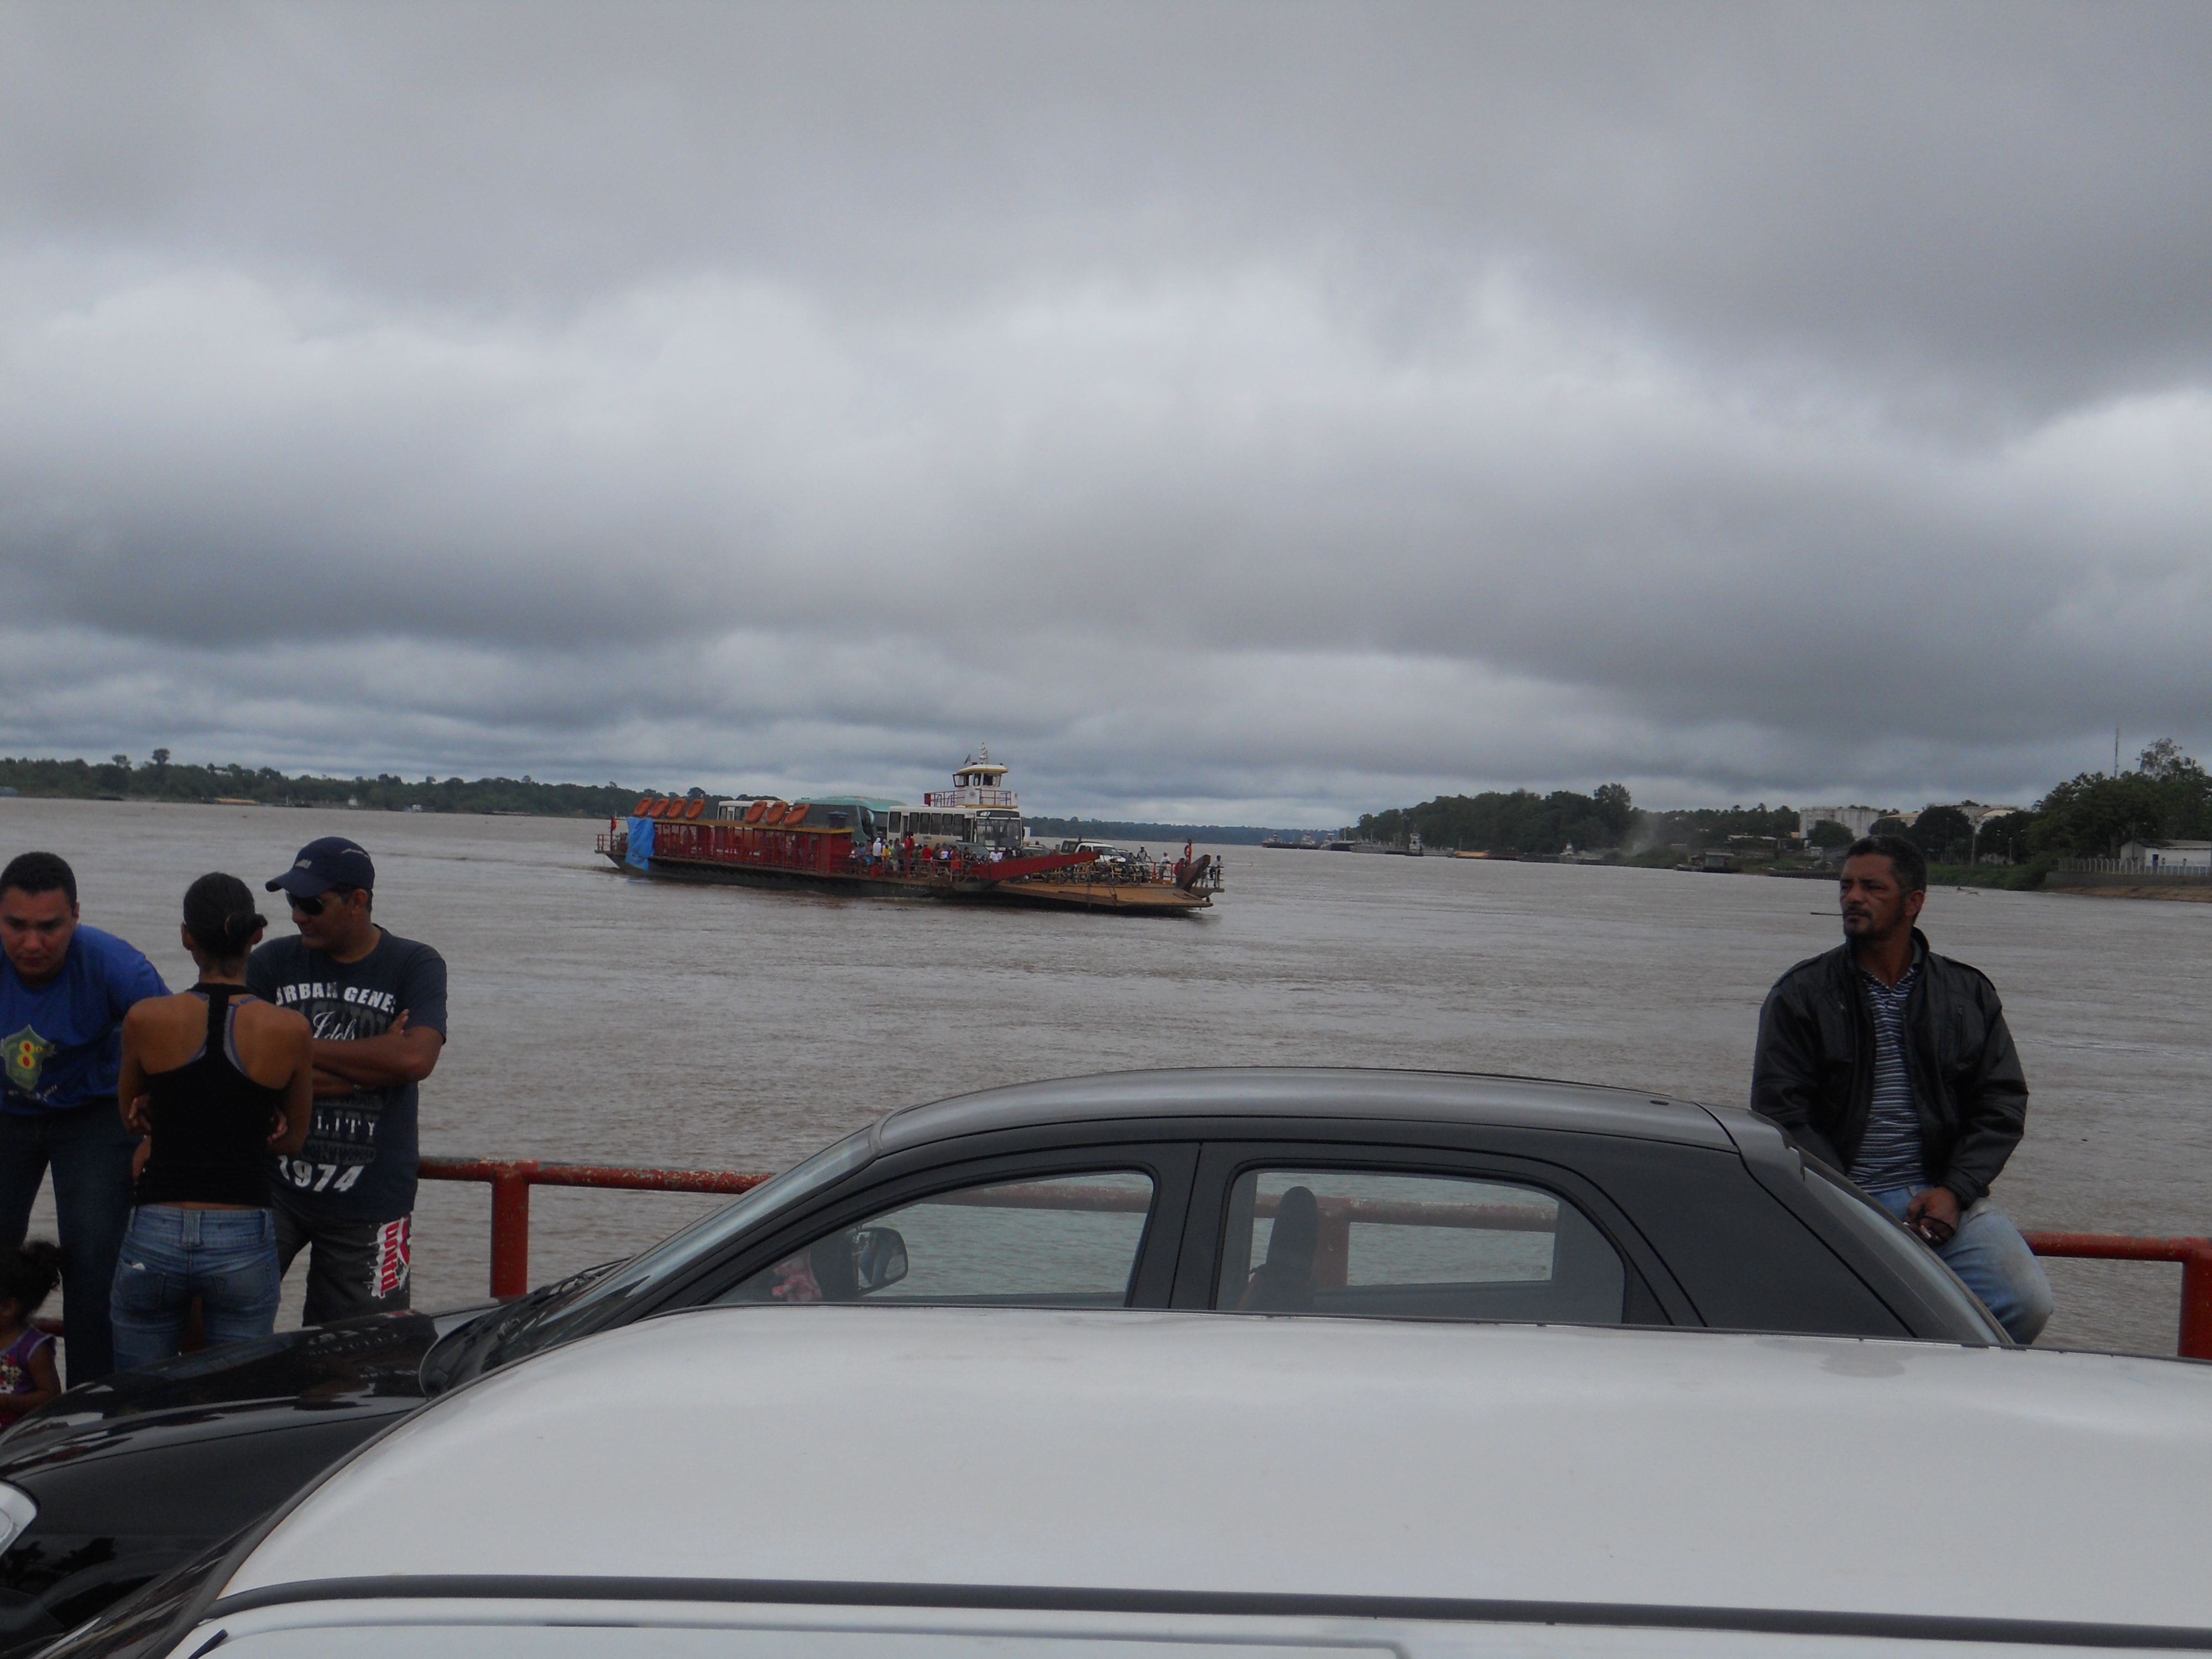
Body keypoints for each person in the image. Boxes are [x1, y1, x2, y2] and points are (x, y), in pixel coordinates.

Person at [1751, 833, 2054, 1343]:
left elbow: (2001, 1102)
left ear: (1914, 902)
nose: (1853, 898)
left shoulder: (1966, 994)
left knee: (2026, 1303)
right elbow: (1781, 1113)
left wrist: (1955, 1192)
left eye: (1873, 887)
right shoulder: (1801, 995)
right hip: (1838, 1197)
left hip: (1939, 1194)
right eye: (1846, 885)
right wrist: (1847, 1201)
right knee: (1821, 1324)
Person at [109, 875, 313, 1369]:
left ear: (186, 937)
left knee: (138, 1398)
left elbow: (130, 1118)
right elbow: (294, 1140)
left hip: (155, 1227)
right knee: (235, 1398)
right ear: (255, 936)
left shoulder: (146, 1018)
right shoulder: (289, 1030)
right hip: (242, 1229)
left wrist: (160, 1112)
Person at [248, 838, 446, 1326]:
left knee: (357, 1361)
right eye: (292, 902)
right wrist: (370, 1067)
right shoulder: (270, 963)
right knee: (225, 1335)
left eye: (312, 904)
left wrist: (293, 1048)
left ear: (358, 901)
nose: (297, 916)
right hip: (268, 1188)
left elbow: (416, 1057)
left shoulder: (415, 964)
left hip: (372, 1202)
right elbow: (247, 1065)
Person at [0, 852, 168, 1382]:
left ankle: (92, 1405)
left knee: (94, 1264)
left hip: (94, 1114)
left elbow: (177, 1049)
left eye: (49, 927)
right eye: (16, 926)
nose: (32, 943)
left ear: (76, 915)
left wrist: (156, 1133)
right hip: (4, 1113)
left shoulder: (117, 966)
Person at [0, 1240, 62, 1426]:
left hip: (16, 1440)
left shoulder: (33, 1349)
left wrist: (8, 1402)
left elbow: (51, 1397)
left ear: (8, 1307)